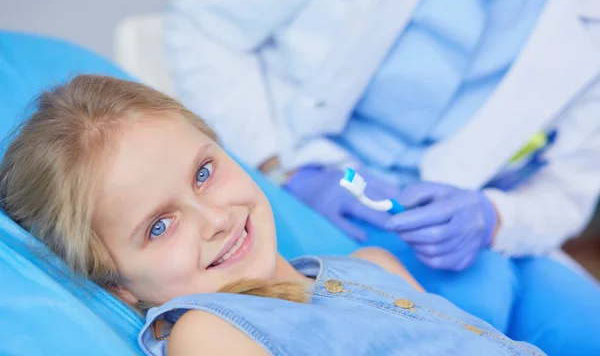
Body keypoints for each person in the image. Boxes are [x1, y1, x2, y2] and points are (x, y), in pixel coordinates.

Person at [0, 75, 548, 356]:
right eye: (159, 226)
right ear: (117, 285)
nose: (213, 218)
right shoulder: (209, 334)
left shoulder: (372, 265)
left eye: (204, 173)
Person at [164, 0, 600, 267]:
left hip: (451, 228)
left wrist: (492, 218)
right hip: (297, 172)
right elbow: (205, 27)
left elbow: (567, 191)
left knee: (577, 324)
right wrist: (280, 164)